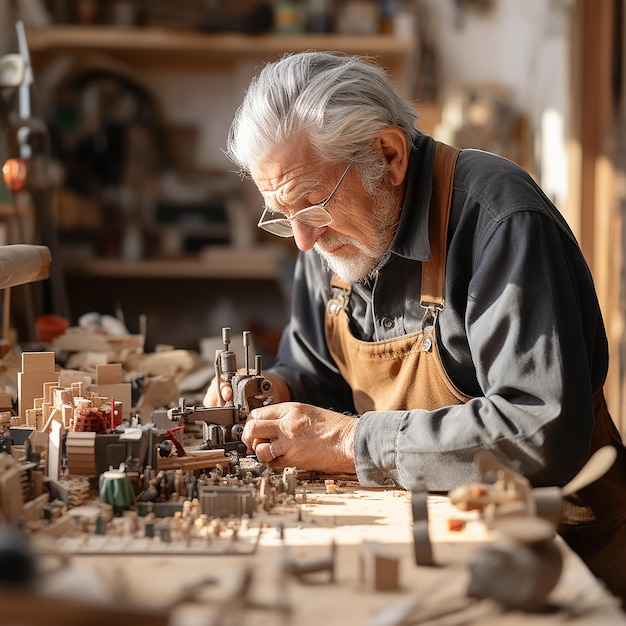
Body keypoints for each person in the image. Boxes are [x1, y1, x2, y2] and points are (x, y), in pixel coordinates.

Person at [204, 51, 626, 602]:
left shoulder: (499, 221)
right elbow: (316, 374)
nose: (303, 241)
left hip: (549, 554)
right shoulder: (325, 236)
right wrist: (273, 392)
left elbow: (538, 429)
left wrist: (354, 440)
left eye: (312, 205)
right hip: (420, 542)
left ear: (389, 154)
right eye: (282, 216)